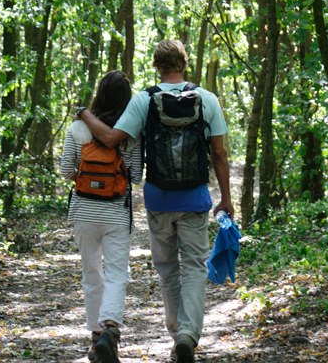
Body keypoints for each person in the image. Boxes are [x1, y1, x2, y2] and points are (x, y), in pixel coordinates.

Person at [78, 40, 233, 363]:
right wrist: (226, 200)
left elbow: (109, 139)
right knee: (193, 266)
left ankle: (177, 330)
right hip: (195, 199)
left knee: (167, 269)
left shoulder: (145, 100)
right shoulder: (207, 100)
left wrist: (83, 114)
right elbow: (219, 153)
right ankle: (187, 336)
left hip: (158, 198)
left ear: (156, 65)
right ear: (184, 63)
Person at [60, 71, 142, 363]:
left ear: (99, 93)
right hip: (117, 213)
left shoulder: (78, 128)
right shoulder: (130, 133)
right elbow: (137, 176)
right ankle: (110, 329)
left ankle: (96, 339)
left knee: (92, 274)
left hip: (84, 211)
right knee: (118, 273)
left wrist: (87, 179)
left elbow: (66, 170)